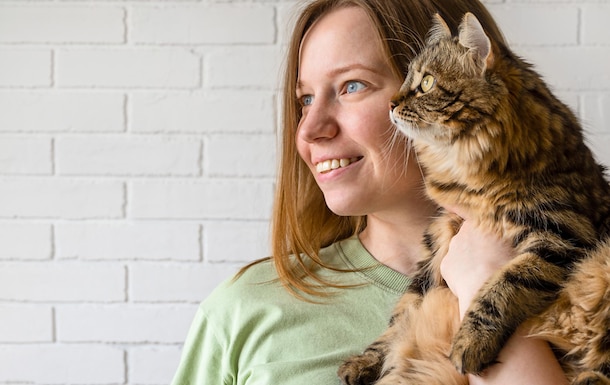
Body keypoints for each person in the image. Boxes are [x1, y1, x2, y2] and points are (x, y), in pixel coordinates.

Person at [170, 0, 569, 384]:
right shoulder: (245, 311)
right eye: (305, 99)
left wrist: (484, 279)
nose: (309, 129)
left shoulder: (589, 286)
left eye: (351, 86)